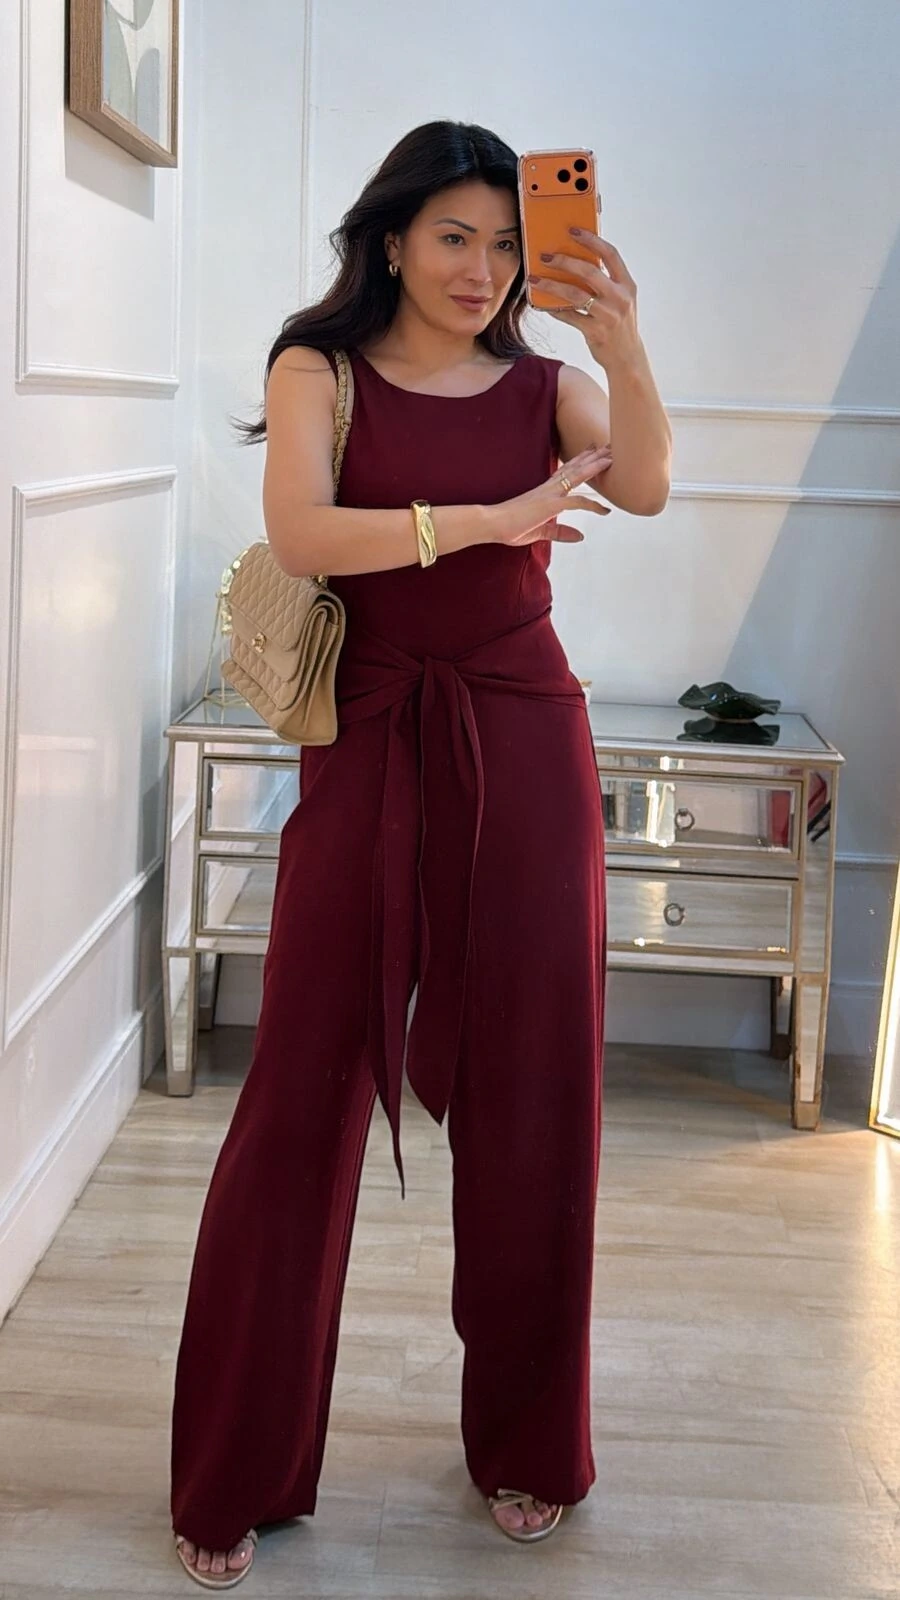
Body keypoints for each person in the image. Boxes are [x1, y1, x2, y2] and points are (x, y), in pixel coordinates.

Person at [170, 118, 671, 1588]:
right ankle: (236, 1467)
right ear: (391, 238)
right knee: (302, 1090)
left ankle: (530, 1448)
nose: (483, 268)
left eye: (507, 243)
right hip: (373, 734)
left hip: (525, 740)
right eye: (455, 235)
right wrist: (490, 521)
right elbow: (304, 536)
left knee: (536, 1091)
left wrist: (622, 341)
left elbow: (643, 484)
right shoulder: (315, 367)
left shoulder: (544, 383)